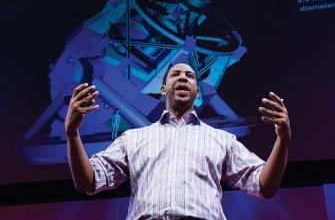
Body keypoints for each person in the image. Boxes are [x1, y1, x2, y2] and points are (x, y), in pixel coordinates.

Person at [65, 63, 291, 220]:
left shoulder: (222, 140)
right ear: (162, 89)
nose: (183, 77)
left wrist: (283, 139)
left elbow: (264, 186)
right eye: (175, 74)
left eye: (190, 76)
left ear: (197, 92)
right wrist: (72, 133)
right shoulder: (133, 139)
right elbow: (88, 182)